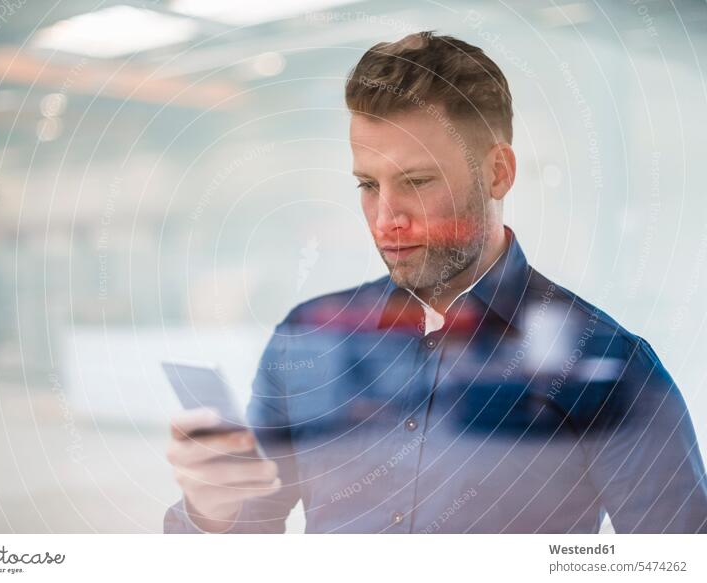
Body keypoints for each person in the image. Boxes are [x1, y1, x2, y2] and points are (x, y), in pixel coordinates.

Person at [164, 32, 707, 533]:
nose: (386, 218)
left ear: (498, 173)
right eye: (368, 184)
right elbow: (247, 534)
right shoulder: (308, 338)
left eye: (417, 181)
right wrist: (211, 509)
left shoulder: (609, 366)